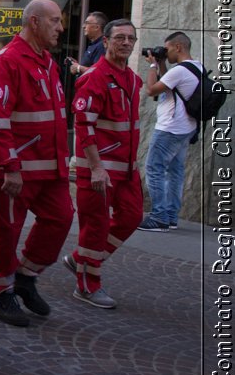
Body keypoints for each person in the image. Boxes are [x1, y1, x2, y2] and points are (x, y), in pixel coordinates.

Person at [0, 0, 74, 327]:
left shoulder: (46, 60)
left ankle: (26, 276)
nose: (61, 28)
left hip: (50, 168)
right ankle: (0, 293)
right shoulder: (8, 61)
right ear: (34, 22)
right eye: (55, 21)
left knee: (61, 217)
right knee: (6, 231)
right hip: (17, 172)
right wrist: (10, 165)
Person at [63, 19, 144, 309]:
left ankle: (81, 260)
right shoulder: (94, 77)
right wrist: (96, 167)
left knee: (133, 216)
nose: (125, 42)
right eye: (119, 37)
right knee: (94, 227)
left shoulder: (134, 80)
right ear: (106, 42)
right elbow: (83, 125)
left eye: (130, 38)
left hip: (126, 170)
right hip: (98, 169)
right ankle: (87, 285)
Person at [138, 31, 200, 232]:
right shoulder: (196, 67)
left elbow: (151, 90)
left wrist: (153, 65)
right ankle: (171, 216)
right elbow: (169, 86)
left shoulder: (179, 71)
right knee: (175, 172)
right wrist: (162, 63)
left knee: (154, 169)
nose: (166, 52)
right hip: (186, 128)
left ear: (178, 47)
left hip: (169, 128)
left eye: (168, 49)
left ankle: (158, 217)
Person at [68, 11, 107, 77]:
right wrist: (78, 65)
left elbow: (98, 72)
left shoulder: (102, 46)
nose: (83, 26)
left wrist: (78, 68)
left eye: (87, 23)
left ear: (97, 27)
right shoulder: (94, 44)